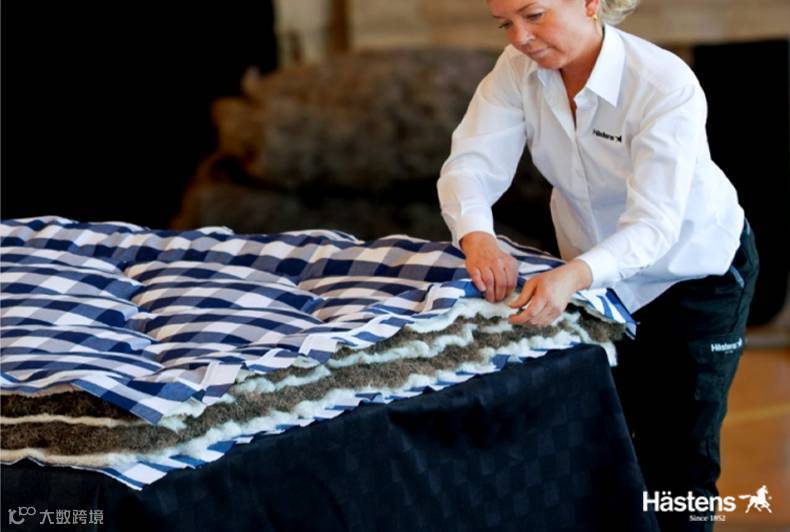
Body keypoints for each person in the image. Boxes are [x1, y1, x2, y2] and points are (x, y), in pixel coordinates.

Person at [436, 0, 759, 529]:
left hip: (694, 275)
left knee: (679, 458)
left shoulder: (662, 84)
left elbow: (654, 226)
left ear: (590, 2)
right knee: (610, 439)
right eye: (505, 23)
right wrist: (478, 238)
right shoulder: (517, 69)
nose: (518, 37)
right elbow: (471, 162)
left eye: (533, 15)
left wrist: (572, 276)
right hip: (595, 278)